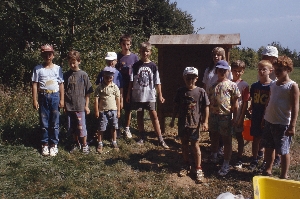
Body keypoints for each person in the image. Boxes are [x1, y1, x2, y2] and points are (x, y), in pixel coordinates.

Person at [170, 67, 209, 183]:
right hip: (183, 123)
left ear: (196, 79)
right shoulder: (180, 91)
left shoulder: (201, 91)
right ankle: (186, 164)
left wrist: (205, 121)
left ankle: (198, 168)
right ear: (184, 78)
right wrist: (172, 119)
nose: (190, 80)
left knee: (195, 145)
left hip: (194, 124)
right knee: (184, 144)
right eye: (188, 78)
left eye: (192, 78)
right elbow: (176, 106)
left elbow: (206, 106)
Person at [262, 56, 299, 179]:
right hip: (269, 120)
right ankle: (268, 168)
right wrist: (264, 117)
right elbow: (269, 100)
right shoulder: (273, 84)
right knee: (268, 147)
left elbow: (295, 107)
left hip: (282, 124)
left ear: (288, 69)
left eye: (280, 70)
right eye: (275, 69)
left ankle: (284, 175)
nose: (277, 72)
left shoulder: (292, 86)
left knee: (283, 151)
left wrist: (292, 125)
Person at [126, 42, 169, 149]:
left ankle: (160, 138)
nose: (145, 53)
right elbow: (131, 81)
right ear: (140, 51)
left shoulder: (153, 66)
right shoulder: (136, 66)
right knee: (140, 115)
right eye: (143, 51)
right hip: (138, 95)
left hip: (150, 95)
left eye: (147, 51)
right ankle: (142, 136)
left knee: (154, 115)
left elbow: (157, 81)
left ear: (150, 52)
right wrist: (128, 94)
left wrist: (160, 95)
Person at [207, 60, 240, 176]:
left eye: (224, 70)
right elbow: (208, 103)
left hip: (225, 117)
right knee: (214, 137)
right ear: (216, 71)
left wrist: (235, 118)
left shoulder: (232, 85)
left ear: (227, 71)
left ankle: (226, 163)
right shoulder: (212, 86)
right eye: (219, 70)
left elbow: (235, 104)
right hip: (213, 116)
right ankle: (214, 156)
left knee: (227, 140)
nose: (221, 72)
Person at [31, 44, 64, 156]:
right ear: (42, 55)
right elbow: (35, 85)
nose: (47, 56)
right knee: (44, 122)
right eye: (45, 54)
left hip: (55, 96)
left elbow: (61, 85)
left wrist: (62, 99)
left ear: (53, 55)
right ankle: (45, 144)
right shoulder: (38, 69)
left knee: (55, 121)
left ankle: (53, 145)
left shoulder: (58, 69)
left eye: (49, 54)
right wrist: (35, 100)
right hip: (43, 97)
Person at [202, 47, 232, 157]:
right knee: (212, 126)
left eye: (218, 55)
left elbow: (230, 85)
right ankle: (214, 148)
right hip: (210, 101)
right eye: (214, 54)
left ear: (223, 56)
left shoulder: (227, 69)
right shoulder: (208, 70)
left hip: (223, 102)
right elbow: (205, 85)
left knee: (223, 128)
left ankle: (221, 147)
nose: (216, 56)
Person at [64, 50, 93, 154]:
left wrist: (87, 105)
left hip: (80, 106)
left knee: (81, 126)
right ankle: (75, 143)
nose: (72, 64)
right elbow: (64, 90)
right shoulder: (66, 75)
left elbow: (88, 92)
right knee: (72, 127)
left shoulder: (83, 75)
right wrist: (64, 104)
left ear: (79, 61)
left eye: (74, 62)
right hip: (69, 106)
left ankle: (84, 144)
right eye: (70, 62)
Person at [248, 60, 273, 171]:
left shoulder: (273, 86)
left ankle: (265, 161)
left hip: (267, 117)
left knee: (266, 140)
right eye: (259, 69)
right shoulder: (254, 85)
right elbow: (253, 99)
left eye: (264, 69)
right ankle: (254, 159)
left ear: (270, 71)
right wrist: (250, 107)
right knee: (256, 138)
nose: (261, 71)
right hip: (256, 115)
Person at [260, 45, 281, 167]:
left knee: (276, 133)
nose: (268, 58)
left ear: (274, 58)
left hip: (275, 104)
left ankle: (277, 156)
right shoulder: (263, 68)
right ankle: (263, 152)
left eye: (270, 57)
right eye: (265, 56)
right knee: (266, 131)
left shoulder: (278, 70)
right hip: (264, 100)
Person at [115, 34, 139, 138]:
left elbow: (137, 72)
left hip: (130, 86)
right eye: (124, 44)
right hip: (118, 86)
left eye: (128, 44)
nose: (126, 46)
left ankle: (127, 128)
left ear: (130, 45)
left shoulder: (134, 57)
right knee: (118, 107)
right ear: (120, 44)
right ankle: (117, 128)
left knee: (128, 108)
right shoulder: (117, 57)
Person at [96, 52, 123, 138]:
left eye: (112, 61)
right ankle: (104, 136)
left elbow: (121, 87)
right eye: (108, 61)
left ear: (116, 61)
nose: (110, 62)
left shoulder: (118, 73)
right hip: (104, 100)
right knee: (103, 120)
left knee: (115, 119)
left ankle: (115, 136)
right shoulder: (102, 72)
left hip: (115, 100)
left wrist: (121, 100)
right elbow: (98, 86)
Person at [94, 67, 120, 153]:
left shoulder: (115, 87)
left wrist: (119, 111)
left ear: (113, 77)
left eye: (110, 77)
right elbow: (96, 99)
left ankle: (114, 141)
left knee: (114, 127)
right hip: (103, 111)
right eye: (106, 77)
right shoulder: (100, 87)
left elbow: (118, 99)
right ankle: (100, 143)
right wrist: (97, 110)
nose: (108, 79)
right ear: (103, 76)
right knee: (101, 128)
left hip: (113, 110)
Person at [231, 60, 250, 169]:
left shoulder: (244, 85)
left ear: (243, 71)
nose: (237, 73)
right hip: (228, 113)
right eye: (235, 71)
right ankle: (226, 156)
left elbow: (245, 102)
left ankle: (239, 157)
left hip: (238, 114)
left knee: (239, 136)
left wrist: (241, 117)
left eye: (239, 71)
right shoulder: (227, 82)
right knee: (227, 135)